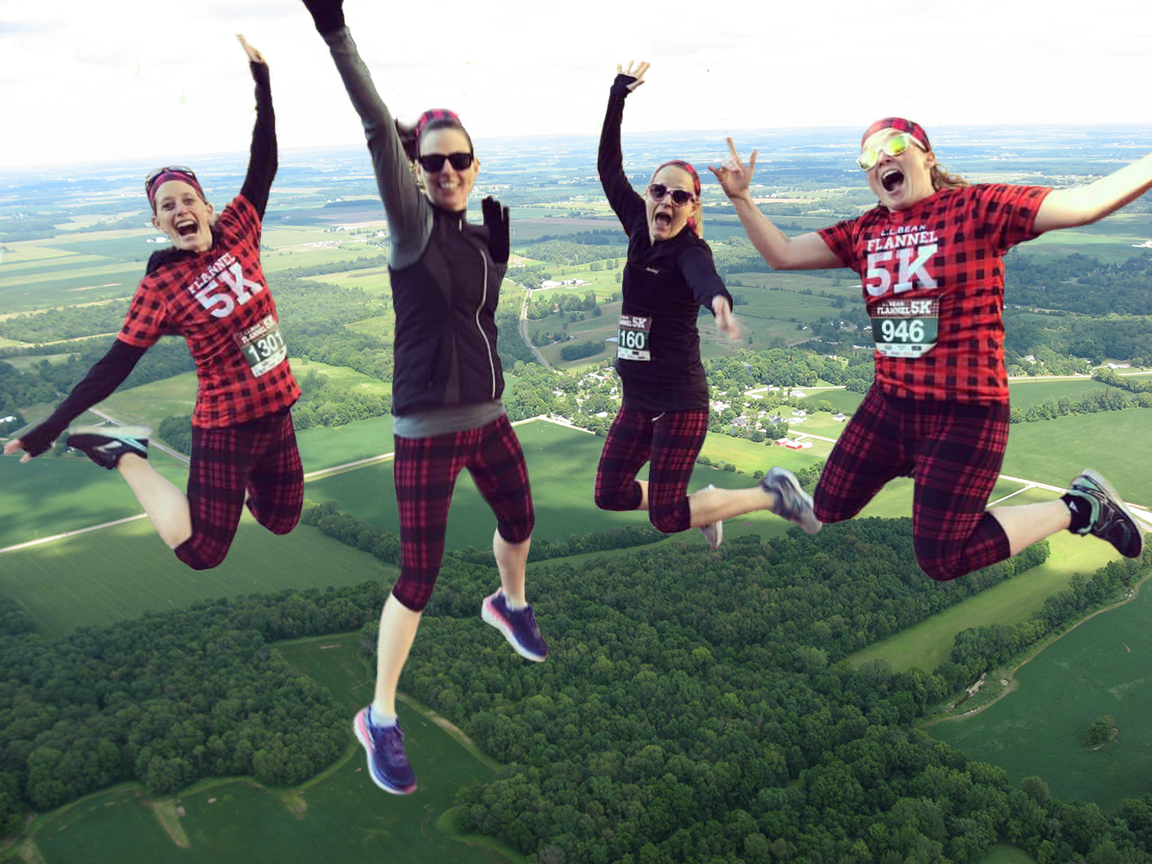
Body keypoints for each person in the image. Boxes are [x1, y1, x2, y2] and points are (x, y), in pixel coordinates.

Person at [710, 118, 1146, 580]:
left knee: (941, 560)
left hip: (964, 411)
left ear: (928, 157)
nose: (880, 159)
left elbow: (1083, 205)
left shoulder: (974, 208)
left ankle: (1080, 507)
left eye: (893, 145)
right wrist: (741, 199)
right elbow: (781, 254)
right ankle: (894, 471)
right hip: (891, 404)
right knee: (830, 506)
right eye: (867, 157)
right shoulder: (864, 230)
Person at [301, 0, 546, 795]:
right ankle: (379, 716)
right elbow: (379, 128)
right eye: (433, 161)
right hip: (427, 429)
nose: (446, 171)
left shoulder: (478, 238)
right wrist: (335, 31)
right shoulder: (412, 226)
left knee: (521, 521)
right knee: (418, 576)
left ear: (476, 167)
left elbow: (473, 322)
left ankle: (508, 605)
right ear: (418, 168)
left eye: (459, 161)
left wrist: (498, 269)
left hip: (489, 417)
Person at [4, 36, 303, 572]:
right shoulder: (161, 288)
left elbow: (265, 161)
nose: (180, 208)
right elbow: (113, 366)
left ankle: (231, 487)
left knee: (282, 520)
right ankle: (120, 451)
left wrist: (263, 82)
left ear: (208, 208)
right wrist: (53, 425)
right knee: (202, 552)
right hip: (226, 426)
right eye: (167, 206)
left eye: (188, 198)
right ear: (158, 224)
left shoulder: (239, 228)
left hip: (276, 413)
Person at [593, 62, 821, 550]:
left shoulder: (690, 251)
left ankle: (771, 493)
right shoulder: (637, 223)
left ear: (693, 209)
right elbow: (608, 169)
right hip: (638, 400)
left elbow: (705, 280)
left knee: (667, 519)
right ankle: (702, 503)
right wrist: (617, 98)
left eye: (681, 196)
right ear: (649, 195)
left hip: (679, 404)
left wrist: (719, 303)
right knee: (609, 493)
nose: (667, 201)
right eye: (659, 190)